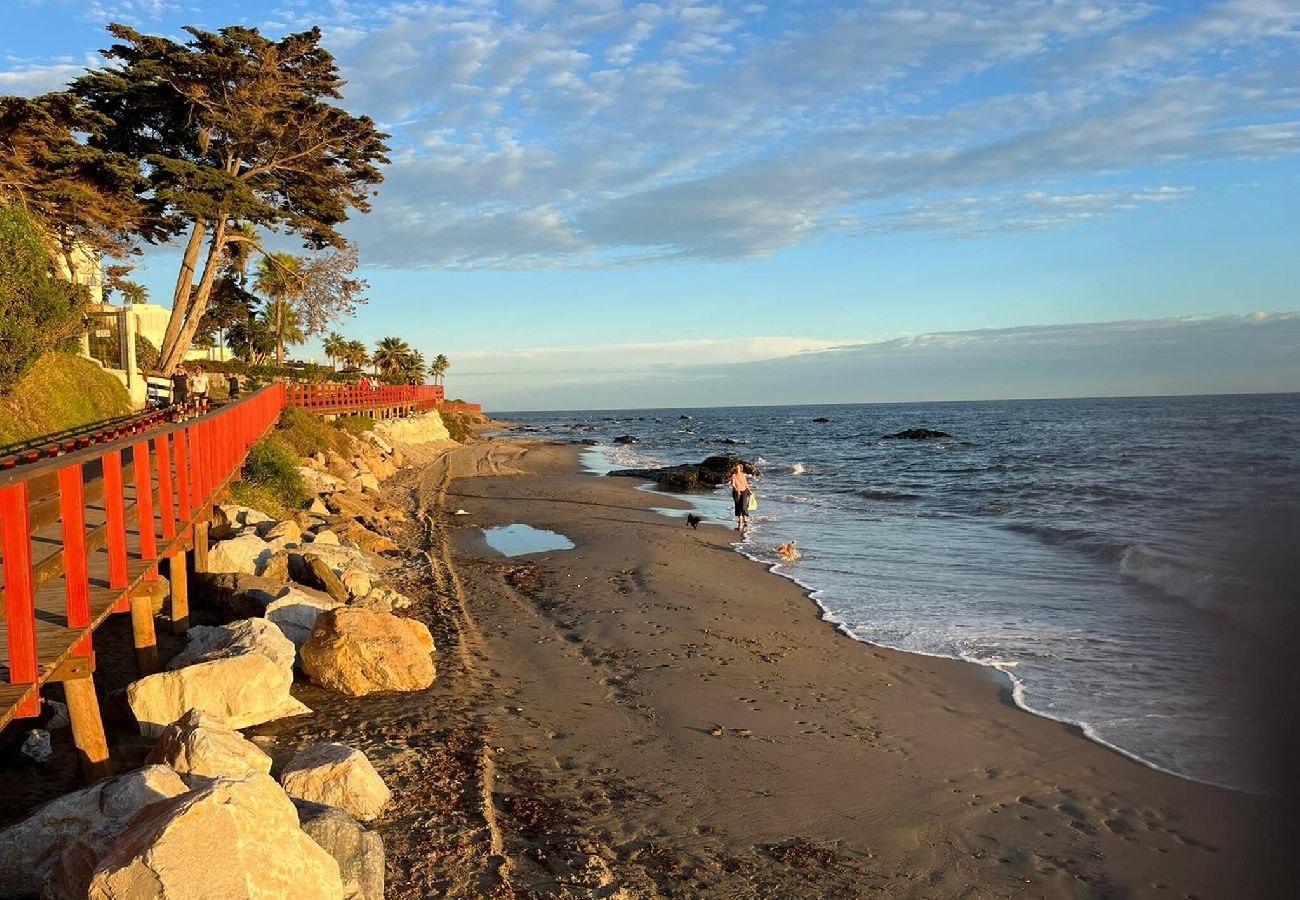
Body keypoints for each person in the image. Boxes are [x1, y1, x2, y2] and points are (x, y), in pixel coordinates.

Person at [730, 461, 753, 532]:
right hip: (736, 492)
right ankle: (740, 521)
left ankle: (746, 517)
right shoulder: (733, 476)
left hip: (744, 491)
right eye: (736, 468)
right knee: (738, 506)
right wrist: (737, 490)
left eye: (738, 468)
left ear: (740, 469)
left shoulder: (743, 475)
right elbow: (733, 485)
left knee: (743, 506)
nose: (737, 469)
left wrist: (749, 490)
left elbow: (746, 483)